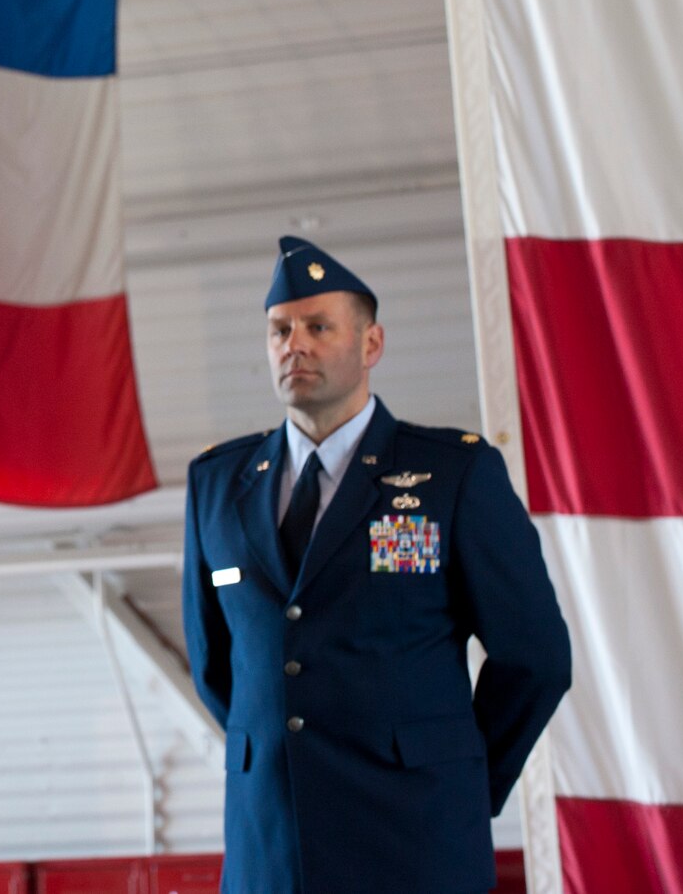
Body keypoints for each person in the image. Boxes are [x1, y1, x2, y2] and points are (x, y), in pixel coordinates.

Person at [181, 236, 569, 894]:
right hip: (272, 849)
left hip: (413, 841)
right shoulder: (219, 484)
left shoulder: (454, 474)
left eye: (318, 326)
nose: (293, 343)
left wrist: (458, 775)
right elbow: (218, 665)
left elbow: (534, 657)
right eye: (279, 329)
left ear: (371, 345)